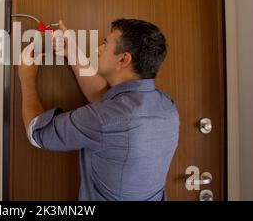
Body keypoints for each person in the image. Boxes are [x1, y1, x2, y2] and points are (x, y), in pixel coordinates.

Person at [18, 18, 179, 201]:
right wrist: (72, 53)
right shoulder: (167, 107)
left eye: (105, 44)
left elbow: (37, 133)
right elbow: (107, 102)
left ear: (124, 59)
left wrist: (27, 77)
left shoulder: (106, 118)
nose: (98, 49)